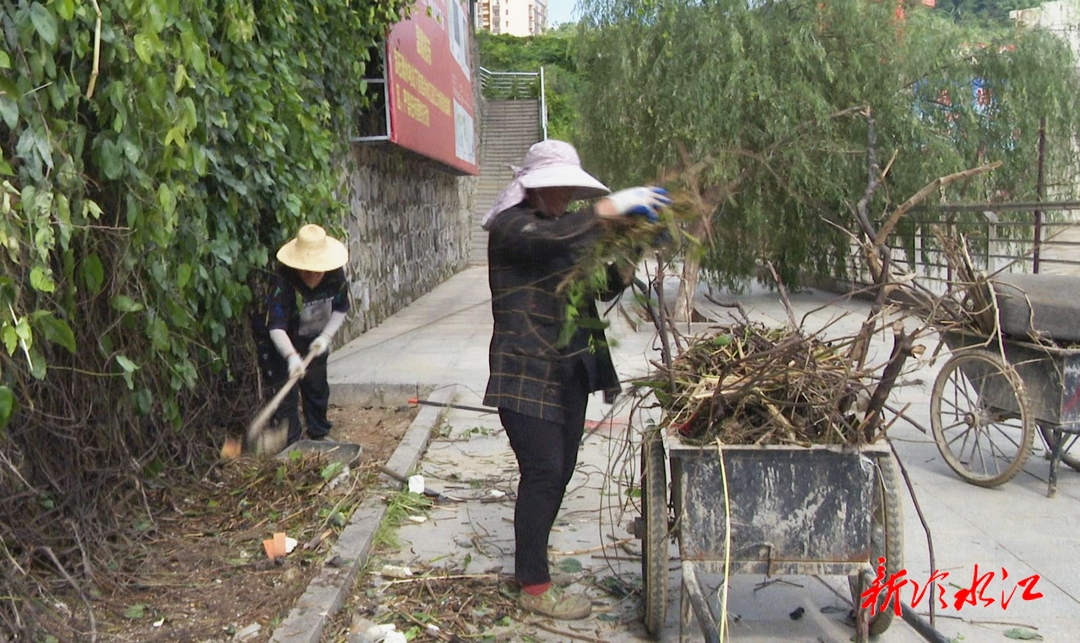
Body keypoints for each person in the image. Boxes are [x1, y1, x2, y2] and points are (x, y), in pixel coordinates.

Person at [482, 139, 670, 620]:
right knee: (542, 472)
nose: (566, 195)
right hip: (526, 371)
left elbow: (601, 284)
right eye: (558, 186)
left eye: (570, 187)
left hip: (569, 369)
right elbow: (561, 238)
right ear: (534, 187)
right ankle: (534, 589)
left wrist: (634, 247)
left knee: (560, 472)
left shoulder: (558, 229)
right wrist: (616, 208)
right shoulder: (513, 228)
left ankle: (534, 566)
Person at [256, 223, 350, 446]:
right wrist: (290, 357)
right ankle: (292, 444)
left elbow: (340, 309)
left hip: (314, 338)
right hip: (281, 343)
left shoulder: (335, 276)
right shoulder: (283, 281)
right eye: (306, 269)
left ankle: (319, 434)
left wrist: (325, 337)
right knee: (284, 395)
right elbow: (276, 327)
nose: (311, 275)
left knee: (317, 387)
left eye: (317, 270)